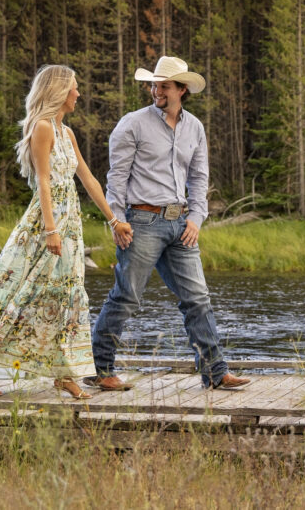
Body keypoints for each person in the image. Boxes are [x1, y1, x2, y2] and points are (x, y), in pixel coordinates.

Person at [0, 65, 121, 399]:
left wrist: (114, 220)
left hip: (71, 227)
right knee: (11, 295)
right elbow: (43, 181)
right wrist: (50, 230)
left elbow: (87, 179)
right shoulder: (42, 127)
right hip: (44, 226)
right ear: (59, 91)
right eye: (74, 87)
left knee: (64, 297)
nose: (78, 93)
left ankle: (64, 373)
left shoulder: (67, 132)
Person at [87, 56, 249, 391]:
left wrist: (197, 218)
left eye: (164, 86)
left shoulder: (195, 128)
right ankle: (101, 370)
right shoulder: (132, 124)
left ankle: (215, 373)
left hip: (181, 225)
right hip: (141, 222)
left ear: (181, 89)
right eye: (154, 85)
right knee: (127, 297)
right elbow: (116, 178)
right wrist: (116, 220)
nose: (156, 91)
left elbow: (199, 178)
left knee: (198, 298)